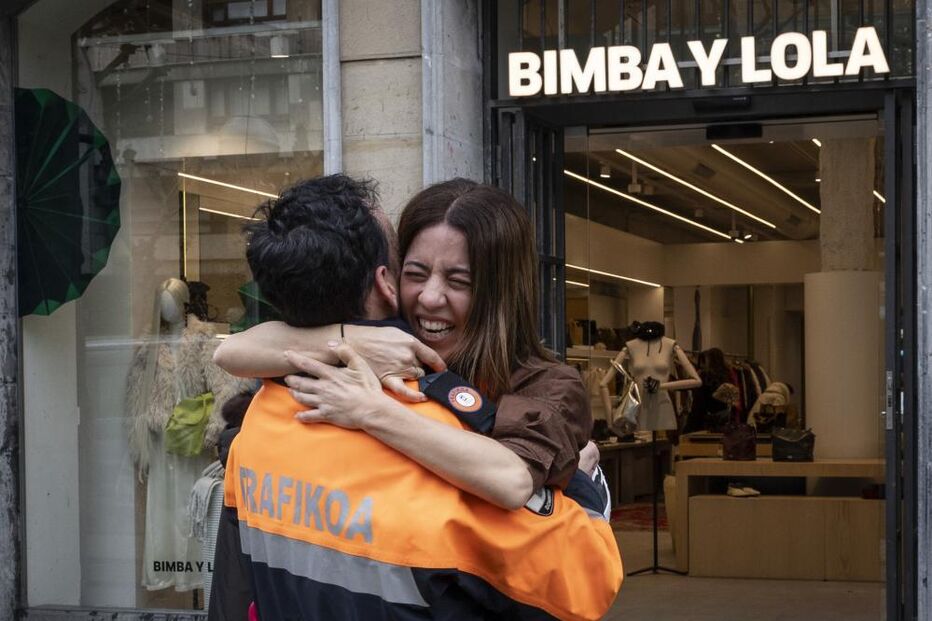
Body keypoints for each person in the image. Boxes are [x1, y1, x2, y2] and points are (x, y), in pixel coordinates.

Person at [215, 174, 622, 620]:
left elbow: (513, 484)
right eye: (416, 273)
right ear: (388, 281)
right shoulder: (375, 355)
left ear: (498, 291)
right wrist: (350, 337)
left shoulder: (545, 385)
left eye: (458, 280)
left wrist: (372, 411)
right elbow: (233, 351)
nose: (430, 297)